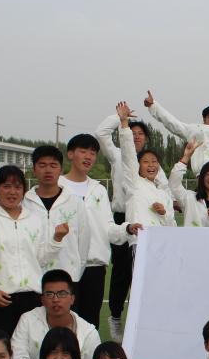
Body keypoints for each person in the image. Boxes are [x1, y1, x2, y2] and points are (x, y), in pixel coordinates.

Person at [93, 108, 168, 341]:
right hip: (123, 220)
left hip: (148, 226)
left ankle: (145, 322)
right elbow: (103, 134)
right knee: (121, 273)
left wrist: (166, 209)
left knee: (146, 276)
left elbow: (164, 191)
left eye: (140, 134)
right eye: (132, 133)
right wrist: (121, 121)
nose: (136, 137)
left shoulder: (152, 167)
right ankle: (116, 317)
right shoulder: (122, 158)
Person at [0, 165, 68, 336]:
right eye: (6, 186)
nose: (12, 192)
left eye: (17, 187)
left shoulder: (34, 219)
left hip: (32, 296)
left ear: (24, 191)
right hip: (1, 298)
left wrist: (57, 239)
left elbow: (41, 258)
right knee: (2, 347)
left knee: (33, 345)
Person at [59, 132, 135, 327]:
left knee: (90, 325)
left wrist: (127, 229)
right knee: (63, 325)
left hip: (94, 267)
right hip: (63, 267)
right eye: (83, 151)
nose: (88, 157)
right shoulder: (58, 187)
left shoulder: (98, 190)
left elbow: (107, 228)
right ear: (70, 154)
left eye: (92, 153)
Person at [22, 145, 91, 286]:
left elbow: (84, 241)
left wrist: (76, 273)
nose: (48, 170)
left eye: (53, 165)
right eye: (42, 165)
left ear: (61, 170)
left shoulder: (75, 203)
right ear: (34, 169)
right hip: (32, 280)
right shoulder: (24, 203)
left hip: (67, 279)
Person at [9, 270, 102, 359]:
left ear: (72, 299)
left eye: (62, 294)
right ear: (42, 300)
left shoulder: (88, 333)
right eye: (49, 294)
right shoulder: (28, 320)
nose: (55, 299)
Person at [116, 101, 175, 236]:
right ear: (138, 166)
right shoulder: (134, 182)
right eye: (146, 162)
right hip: (139, 240)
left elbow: (172, 224)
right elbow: (128, 154)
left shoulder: (163, 194)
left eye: (154, 162)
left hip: (159, 241)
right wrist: (124, 122)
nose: (151, 165)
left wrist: (163, 213)